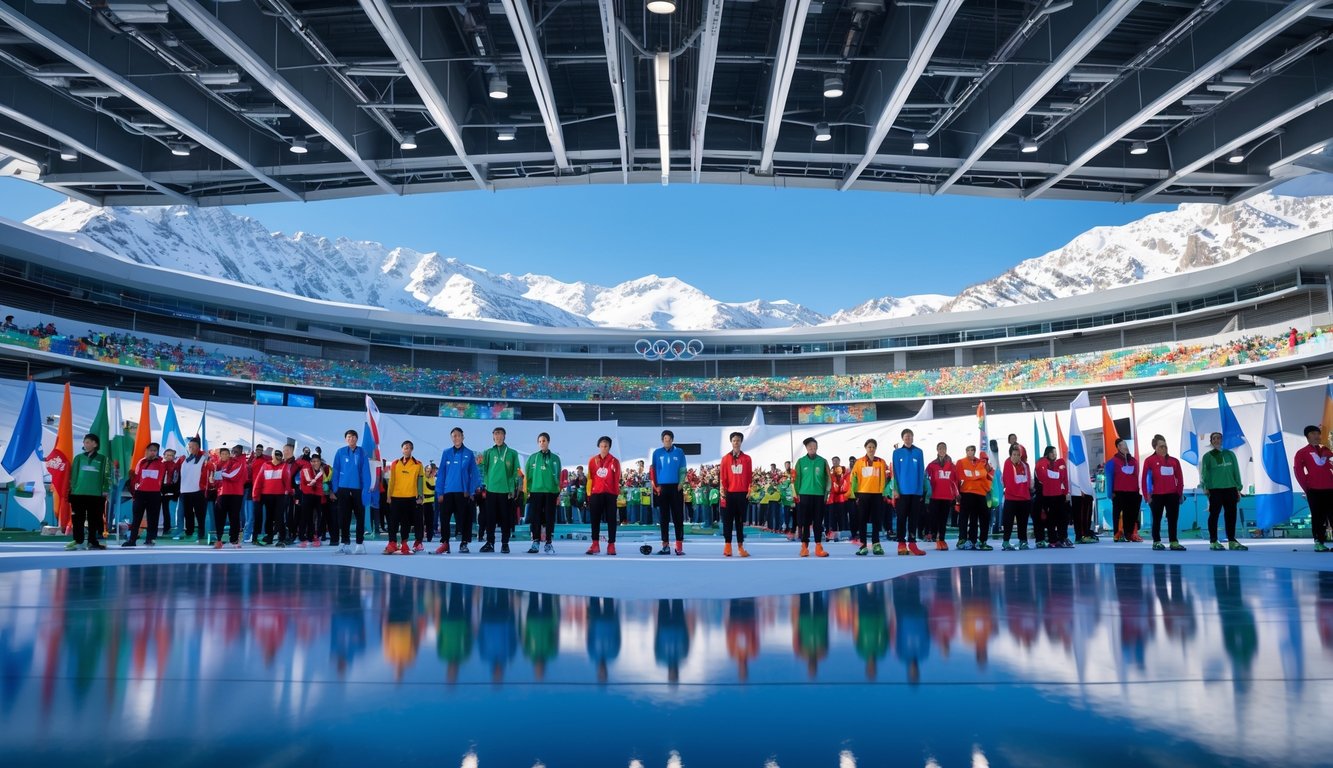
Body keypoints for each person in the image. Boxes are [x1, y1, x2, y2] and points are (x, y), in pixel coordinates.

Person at [1200, 431, 1248, 551]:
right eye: (1214, 438)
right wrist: (1205, 487)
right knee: (1214, 515)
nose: (1216, 440)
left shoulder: (1230, 454)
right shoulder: (1207, 456)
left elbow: (1236, 471)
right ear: (1211, 442)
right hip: (1215, 489)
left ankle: (1232, 540)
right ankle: (1213, 541)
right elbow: (1204, 473)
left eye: (1219, 438)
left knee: (1231, 515)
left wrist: (1238, 487)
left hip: (1230, 489)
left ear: (1222, 440)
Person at [436, 427, 481, 554]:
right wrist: (440, 492)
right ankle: (445, 543)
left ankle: (464, 543)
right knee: (444, 518)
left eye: (458, 435)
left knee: (464, 518)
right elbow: (441, 473)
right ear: (451, 438)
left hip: (463, 492)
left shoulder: (469, 453)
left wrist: (471, 491)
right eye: (454, 436)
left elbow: (474, 473)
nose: (456, 438)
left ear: (463, 437)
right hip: (448, 491)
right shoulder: (446, 453)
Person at [331, 429, 373, 555]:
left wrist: (366, 489)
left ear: (356, 439)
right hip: (343, 489)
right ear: (346, 439)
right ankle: (344, 543)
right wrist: (335, 489)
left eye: (353, 437)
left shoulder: (362, 452)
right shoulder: (340, 452)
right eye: (349, 437)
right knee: (344, 517)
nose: (351, 439)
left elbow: (366, 471)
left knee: (360, 516)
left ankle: (360, 544)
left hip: (358, 489)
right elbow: (335, 470)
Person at [67, 433, 111, 551]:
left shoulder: (103, 459)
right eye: (84, 442)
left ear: (95, 444)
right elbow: (73, 475)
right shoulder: (78, 458)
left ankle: (92, 541)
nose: (85, 444)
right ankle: (78, 540)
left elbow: (107, 475)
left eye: (87, 442)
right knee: (77, 519)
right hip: (78, 494)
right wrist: (72, 490)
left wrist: (105, 489)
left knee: (94, 519)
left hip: (96, 495)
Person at [480, 427, 521, 553]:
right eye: (496, 434)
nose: (498, 436)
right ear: (493, 437)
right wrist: (485, 484)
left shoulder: (512, 453)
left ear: (504, 436)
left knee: (505, 518)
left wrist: (514, 488)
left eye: (501, 434)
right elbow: (483, 469)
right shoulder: (487, 452)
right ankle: (490, 543)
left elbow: (517, 472)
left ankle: (505, 543)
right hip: (491, 489)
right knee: (490, 518)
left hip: (506, 490)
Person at [1142, 437, 1186, 551]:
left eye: (1165, 446)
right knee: (1156, 519)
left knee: (1173, 519)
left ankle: (1174, 541)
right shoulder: (1149, 460)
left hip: (1172, 494)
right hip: (1156, 495)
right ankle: (1156, 541)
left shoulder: (1174, 461)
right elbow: (1145, 479)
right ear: (1155, 447)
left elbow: (1179, 478)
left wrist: (1179, 493)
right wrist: (1147, 495)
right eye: (1161, 446)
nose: (1164, 448)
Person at [1294, 425, 1333, 551]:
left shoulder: (1327, 450)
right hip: (1314, 490)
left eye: (1318, 433)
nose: (1317, 436)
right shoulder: (1302, 452)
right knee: (1318, 516)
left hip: (1330, 488)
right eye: (1313, 433)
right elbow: (1298, 471)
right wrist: (1307, 488)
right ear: (1307, 436)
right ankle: (1319, 542)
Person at [850, 439, 891, 555]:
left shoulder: (881, 462)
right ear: (865, 448)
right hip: (863, 494)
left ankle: (876, 544)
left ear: (876, 448)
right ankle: (863, 545)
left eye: (873, 447)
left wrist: (884, 492)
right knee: (862, 520)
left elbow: (886, 478)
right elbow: (853, 478)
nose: (871, 449)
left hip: (877, 495)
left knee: (876, 520)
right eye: (869, 447)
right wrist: (855, 494)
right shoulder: (859, 462)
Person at [651, 430, 688, 555]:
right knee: (664, 517)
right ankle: (665, 546)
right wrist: (656, 486)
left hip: (676, 488)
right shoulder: (657, 453)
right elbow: (653, 470)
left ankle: (679, 546)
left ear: (672, 440)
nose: (667, 441)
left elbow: (683, 469)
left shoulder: (679, 452)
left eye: (669, 439)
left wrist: (681, 483)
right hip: (662, 488)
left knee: (678, 517)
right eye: (665, 439)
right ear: (662, 440)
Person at [892, 429, 928, 556]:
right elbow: (894, 472)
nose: (908, 438)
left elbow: (921, 471)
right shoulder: (897, 453)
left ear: (913, 437)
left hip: (915, 491)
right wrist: (895, 489)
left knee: (913, 519)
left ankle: (912, 544)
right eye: (906, 436)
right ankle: (901, 543)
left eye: (910, 436)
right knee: (901, 518)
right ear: (903, 438)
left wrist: (920, 490)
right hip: (902, 492)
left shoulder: (919, 452)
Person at [384, 440, 424, 555]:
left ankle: (404, 543)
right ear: (402, 450)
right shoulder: (395, 463)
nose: (407, 449)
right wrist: (389, 495)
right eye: (405, 447)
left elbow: (420, 481)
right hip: (396, 496)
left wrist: (420, 496)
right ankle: (392, 543)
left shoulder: (418, 464)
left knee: (406, 522)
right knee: (393, 521)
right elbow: (391, 481)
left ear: (412, 450)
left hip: (410, 497)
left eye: (409, 448)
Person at [122, 442, 165, 547]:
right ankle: (132, 540)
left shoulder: (161, 463)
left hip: (154, 493)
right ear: (146, 451)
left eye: (155, 450)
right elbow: (137, 479)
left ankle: (150, 539)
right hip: (140, 493)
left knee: (152, 518)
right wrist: (132, 477)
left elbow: (159, 476)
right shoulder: (141, 462)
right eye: (151, 450)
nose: (153, 452)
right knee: (136, 518)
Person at [524, 432, 561, 554]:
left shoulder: (555, 458)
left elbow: (558, 476)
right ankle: (535, 542)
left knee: (549, 517)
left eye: (544, 441)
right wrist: (528, 490)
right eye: (540, 441)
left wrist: (557, 492)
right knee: (536, 517)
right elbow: (528, 475)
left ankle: (549, 542)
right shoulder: (533, 457)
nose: (542, 443)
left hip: (551, 492)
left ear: (548, 442)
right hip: (536, 492)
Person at [793, 437, 829, 558]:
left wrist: (826, 493)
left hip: (819, 495)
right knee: (805, 522)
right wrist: (796, 494)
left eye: (814, 446)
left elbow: (828, 478)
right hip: (804, 495)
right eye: (810, 447)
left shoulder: (823, 461)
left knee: (818, 522)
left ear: (817, 447)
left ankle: (818, 547)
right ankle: (804, 547)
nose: (812, 449)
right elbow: (796, 479)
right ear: (806, 448)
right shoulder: (801, 462)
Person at [719, 431, 753, 558]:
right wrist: (723, 492)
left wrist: (749, 490)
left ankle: (740, 546)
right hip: (729, 494)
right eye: (734, 440)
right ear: (731, 442)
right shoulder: (725, 459)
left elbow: (749, 476)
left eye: (738, 440)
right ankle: (727, 546)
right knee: (727, 521)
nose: (736, 442)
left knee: (739, 522)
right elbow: (723, 476)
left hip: (742, 494)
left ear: (741, 442)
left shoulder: (747, 459)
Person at [586, 436, 621, 555]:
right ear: (598, 447)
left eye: (606, 446)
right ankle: (595, 544)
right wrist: (589, 493)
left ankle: (611, 545)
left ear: (609, 447)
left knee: (611, 519)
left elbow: (617, 478)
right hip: (596, 493)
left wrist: (616, 493)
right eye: (601, 446)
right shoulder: (592, 460)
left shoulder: (614, 461)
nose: (603, 448)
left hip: (610, 494)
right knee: (595, 519)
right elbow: (590, 477)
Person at [252, 448, 293, 548]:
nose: (278, 458)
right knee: (269, 517)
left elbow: (287, 480)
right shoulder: (265, 465)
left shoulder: (284, 466)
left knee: (279, 516)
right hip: (267, 495)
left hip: (280, 495)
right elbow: (259, 480)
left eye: (280, 456)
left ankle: (282, 538)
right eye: (276, 456)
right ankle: (269, 536)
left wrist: (288, 492)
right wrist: (255, 494)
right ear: (273, 456)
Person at [956, 445, 993, 551]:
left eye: (972, 450)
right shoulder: (961, 462)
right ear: (966, 451)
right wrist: (957, 494)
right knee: (965, 517)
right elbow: (958, 478)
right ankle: (963, 539)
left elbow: (989, 475)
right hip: (966, 492)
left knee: (982, 517)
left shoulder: (981, 462)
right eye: (969, 450)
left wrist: (987, 466)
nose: (971, 452)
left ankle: (981, 541)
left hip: (980, 493)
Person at [1105, 438, 1142, 542]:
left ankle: (1129, 533)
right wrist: (1110, 493)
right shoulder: (1112, 462)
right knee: (1118, 514)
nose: (1125, 447)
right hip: (1119, 492)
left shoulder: (1133, 461)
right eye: (1123, 445)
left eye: (1126, 444)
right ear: (1118, 447)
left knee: (1131, 513)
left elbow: (1136, 476)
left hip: (1133, 492)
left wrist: (1138, 491)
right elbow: (1109, 478)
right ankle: (1118, 534)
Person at [1034, 446, 1071, 548]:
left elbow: (1064, 479)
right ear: (1047, 453)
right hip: (1046, 497)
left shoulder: (1059, 464)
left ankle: (1063, 538)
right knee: (1050, 519)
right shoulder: (1042, 463)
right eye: (1051, 452)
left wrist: (1065, 492)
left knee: (1062, 517)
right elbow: (1043, 477)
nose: (1054, 454)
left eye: (1055, 452)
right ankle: (1052, 540)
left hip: (1059, 495)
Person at [213, 445, 248, 548]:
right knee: (220, 517)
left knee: (234, 517)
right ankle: (219, 540)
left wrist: (221, 474)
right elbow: (216, 482)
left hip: (235, 494)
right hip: (222, 493)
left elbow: (232, 476)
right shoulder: (218, 465)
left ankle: (234, 540)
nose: (224, 455)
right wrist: (213, 480)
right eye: (222, 454)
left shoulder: (239, 462)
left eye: (226, 454)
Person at [1000, 444, 1033, 550]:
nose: (1016, 457)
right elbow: (1009, 481)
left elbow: (1028, 482)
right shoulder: (1007, 463)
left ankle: (1023, 541)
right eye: (1014, 454)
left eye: (1018, 455)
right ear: (1010, 455)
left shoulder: (1025, 466)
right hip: (1011, 498)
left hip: (1024, 498)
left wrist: (1026, 489)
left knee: (1022, 522)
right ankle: (1006, 542)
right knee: (1008, 521)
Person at [926, 442, 958, 550]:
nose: (942, 450)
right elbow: (926, 478)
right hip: (935, 496)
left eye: (943, 448)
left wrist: (956, 494)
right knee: (934, 518)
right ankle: (935, 536)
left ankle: (942, 539)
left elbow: (955, 481)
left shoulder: (952, 465)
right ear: (937, 450)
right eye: (940, 448)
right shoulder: (932, 465)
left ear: (946, 450)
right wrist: (926, 493)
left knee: (943, 519)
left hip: (947, 496)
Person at [178, 437, 209, 545]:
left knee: (200, 513)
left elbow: (209, 465)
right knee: (188, 513)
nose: (190, 447)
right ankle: (189, 531)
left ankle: (201, 531)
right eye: (189, 446)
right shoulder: (184, 459)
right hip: (185, 490)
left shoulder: (203, 458)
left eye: (193, 446)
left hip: (198, 490)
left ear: (198, 447)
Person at [297, 454, 326, 548]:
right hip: (307, 495)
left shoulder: (323, 470)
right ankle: (305, 537)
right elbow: (305, 484)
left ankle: (315, 536)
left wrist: (317, 487)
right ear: (310, 462)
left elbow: (322, 483)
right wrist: (313, 487)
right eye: (313, 461)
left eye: (317, 461)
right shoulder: (306, 469)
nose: (315, 463)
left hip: (318, 496)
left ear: (320, 462)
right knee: (307, 516)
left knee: (318, 517)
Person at [827, 456, 850, 543]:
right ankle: (832, 535)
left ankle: (843, 534)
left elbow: (845, 484)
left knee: (842, 517)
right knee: (832, 518)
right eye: (833, 461)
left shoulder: (844, 472)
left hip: (841, 499)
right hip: (832, 499)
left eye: (836, 460)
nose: (835, 462)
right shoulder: (830, 472)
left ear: (839, 461)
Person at [159, 448, 180, 539]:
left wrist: (175, 492)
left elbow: (176, 479)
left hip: (169, 489)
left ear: (174, 457)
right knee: (156, 509)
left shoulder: (175, 466)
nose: (169, 457)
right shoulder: (159, 464)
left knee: (166, 509)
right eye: (167, 455)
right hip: (158, 488)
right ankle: (156, 526)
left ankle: (167, 527)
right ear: (164, 455)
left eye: (171, 455)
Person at [422, 462, 438, 544]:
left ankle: (429, 537)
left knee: (430, 521)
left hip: (431, 502)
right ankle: (421, 536)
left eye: (430, 471)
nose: (429, 472)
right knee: (422, 521)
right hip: (423, 502)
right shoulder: (423, 478)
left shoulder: (434, 479)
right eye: (427, 471)